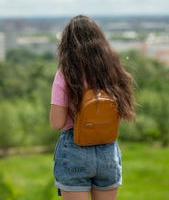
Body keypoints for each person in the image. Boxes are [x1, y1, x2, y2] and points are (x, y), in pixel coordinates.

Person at [50, 15, 136, 200]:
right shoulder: (113, 71)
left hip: (74, 148)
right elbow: (118, 116)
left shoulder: (65, 74)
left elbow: (56, 123)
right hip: (107, 149)